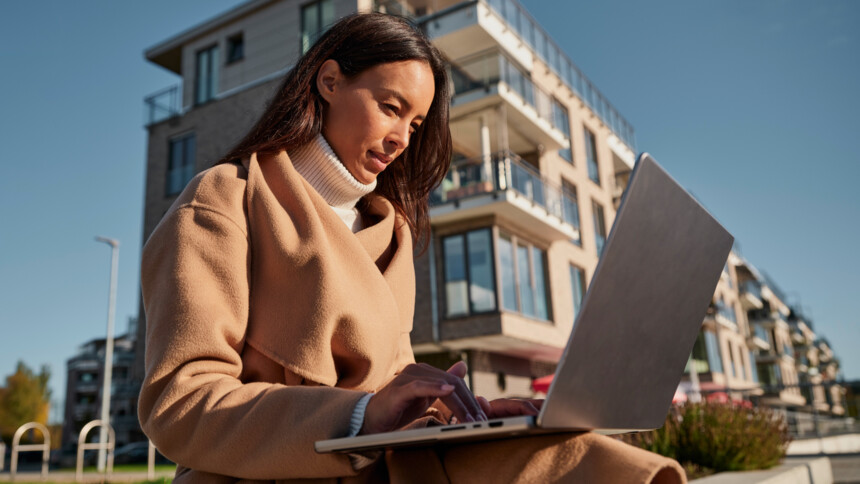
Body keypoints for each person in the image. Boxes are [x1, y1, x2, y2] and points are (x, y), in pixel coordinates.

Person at [138, 12, 686, 483]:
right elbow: (180, 404)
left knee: (572, 458)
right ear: (329, 81)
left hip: (385, 466)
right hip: (267, 472)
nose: (404, 137)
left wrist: (463, 414)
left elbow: (390, 393)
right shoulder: (224, 200)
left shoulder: (390, 231)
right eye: (390, 106)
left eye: (416, 122)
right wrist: (357, 418)